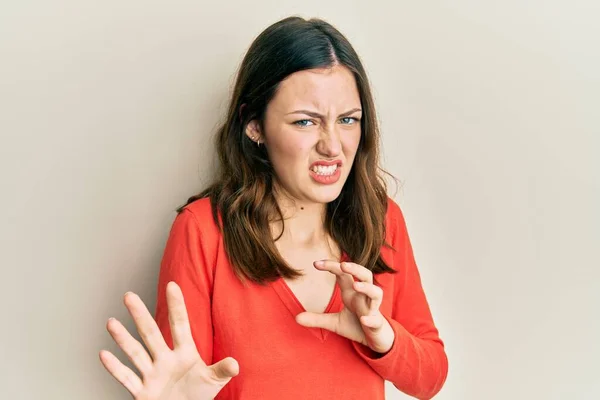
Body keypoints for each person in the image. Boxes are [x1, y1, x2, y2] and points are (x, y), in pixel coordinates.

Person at [99, 16, 448, 400]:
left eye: (348, 120)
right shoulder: (202, 230)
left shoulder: (380, 219)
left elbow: (430, 377)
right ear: (255, 126)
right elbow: (183, 380)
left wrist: (382, 335)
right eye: (305, 122)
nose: (333, 146)